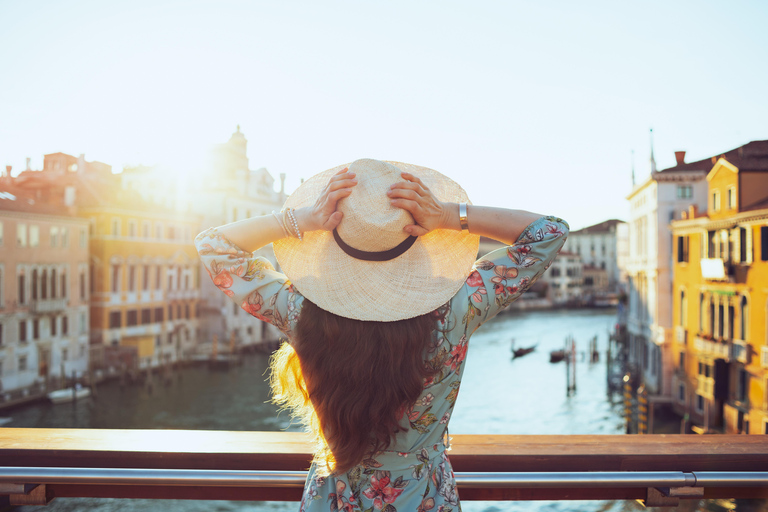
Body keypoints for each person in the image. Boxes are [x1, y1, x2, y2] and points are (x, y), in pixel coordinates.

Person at [195, 158, 568, 512]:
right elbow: (548, 232)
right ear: (416, 238)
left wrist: (303, 219)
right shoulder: (457, 309)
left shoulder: (301, 312)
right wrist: (448, 215)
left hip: (334, 496)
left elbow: (215, 246)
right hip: (422, 497)